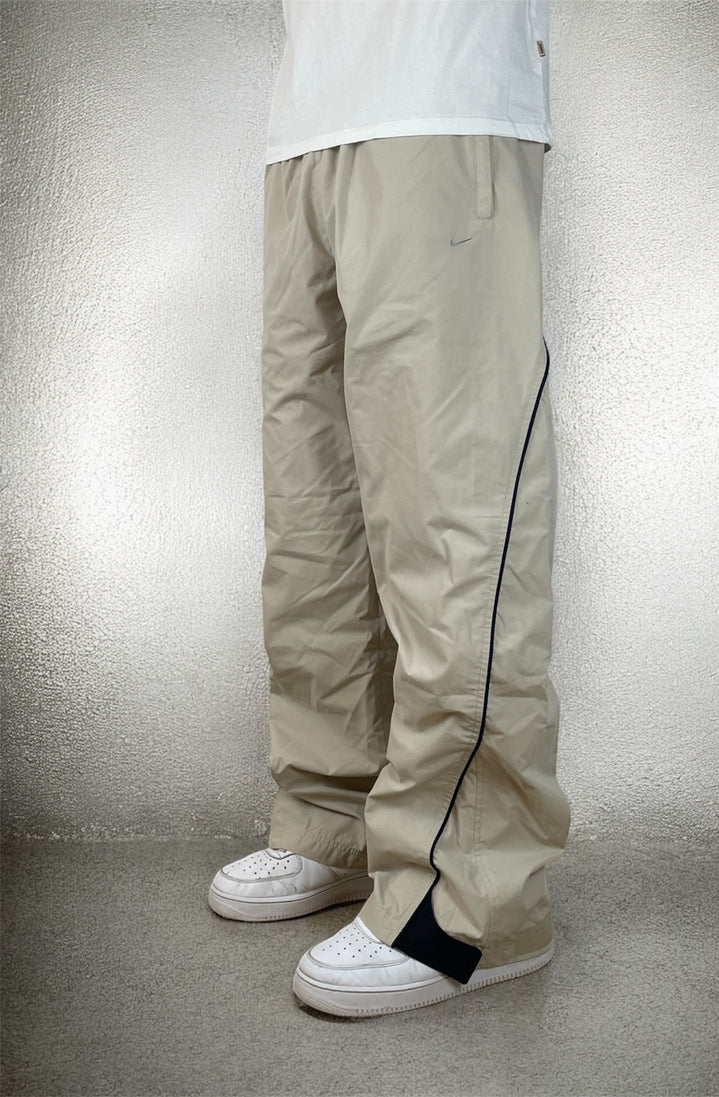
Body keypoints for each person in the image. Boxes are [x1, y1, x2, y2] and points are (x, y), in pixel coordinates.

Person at [208, 0, 570, 1017]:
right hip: (308, 116)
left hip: (440, 91)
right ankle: (331, 818)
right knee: (312, 516)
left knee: (451, 506)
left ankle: (474, 900)